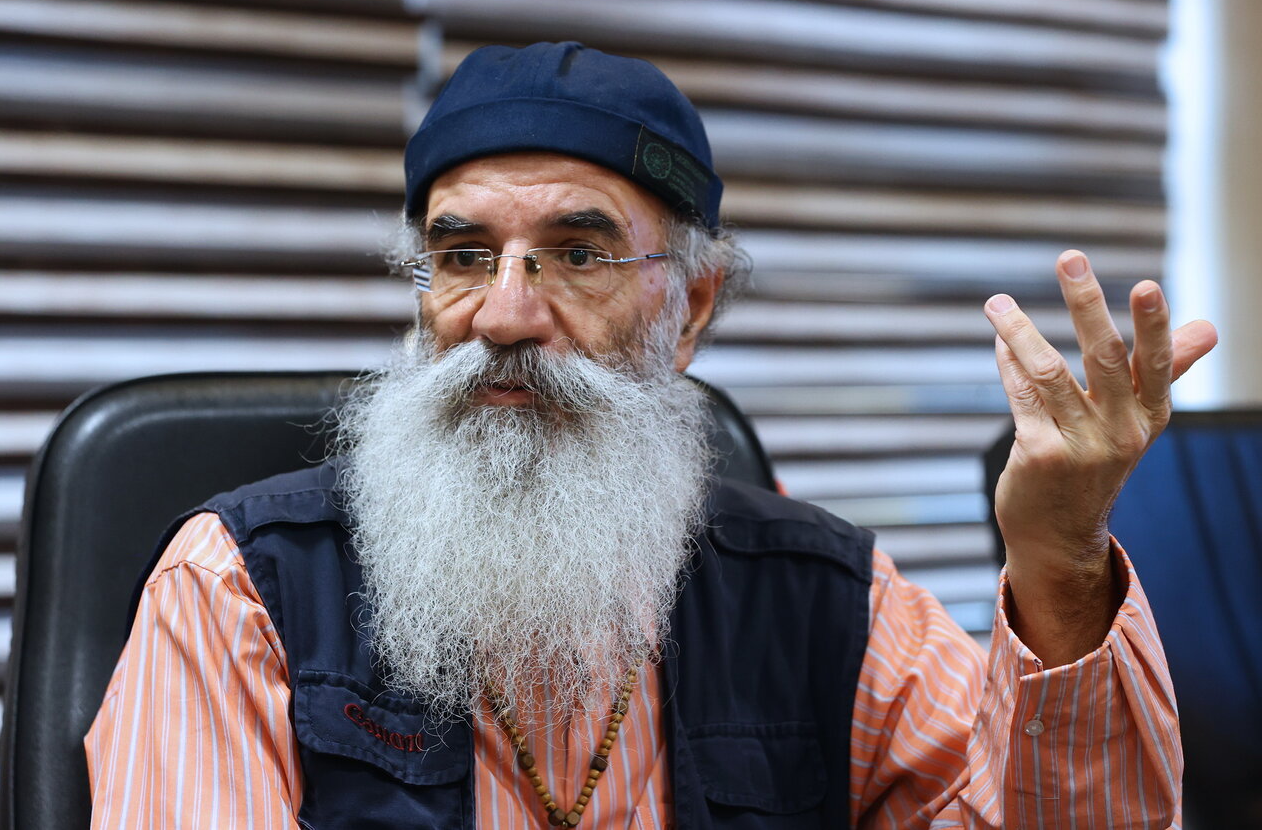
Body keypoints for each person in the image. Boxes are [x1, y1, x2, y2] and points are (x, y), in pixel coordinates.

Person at [85, 42, 1218, 829]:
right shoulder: (234, 591)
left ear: (691, 307)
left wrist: (1058, 563)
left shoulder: (831, 604)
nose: (504, 316)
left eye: (578, 255)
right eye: (464, 256)